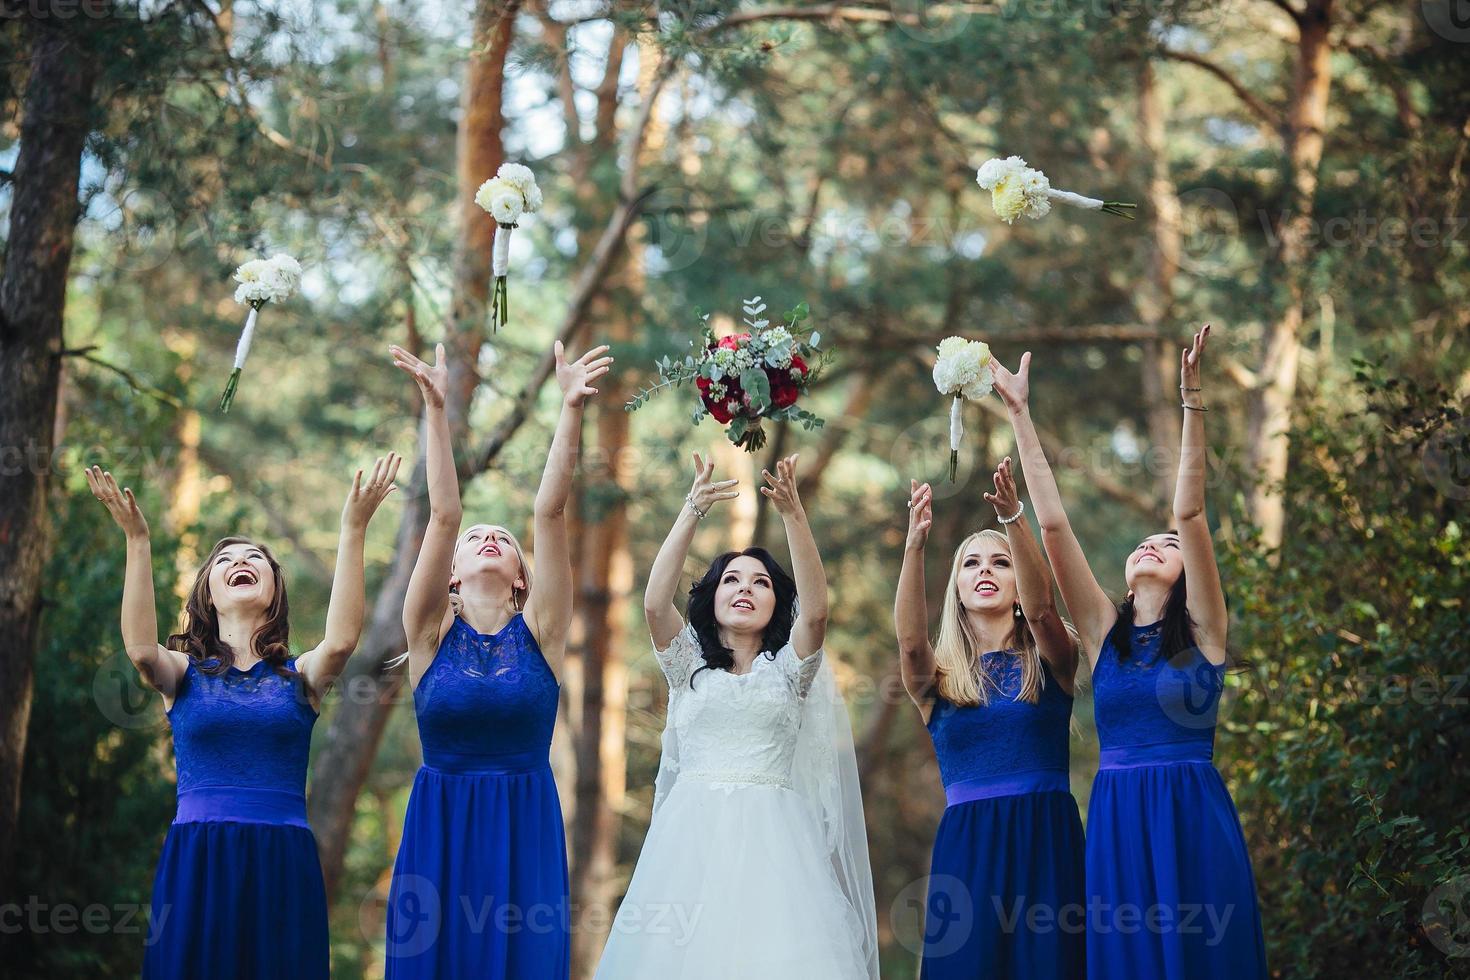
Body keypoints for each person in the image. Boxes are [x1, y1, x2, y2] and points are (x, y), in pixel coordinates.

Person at [994, 324, 1267, 977]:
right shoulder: (1100, 633)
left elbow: (1191, 513)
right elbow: (1054, 525)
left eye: (1166, 546)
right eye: (1145, 540)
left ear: (1186, 572)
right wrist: (1021, 416)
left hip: (1188, 810)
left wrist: (1191, 400)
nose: (1155, 544)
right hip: (1118, 817)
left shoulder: (1204, 630)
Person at [85, 452, 401, 979]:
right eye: (227, 560)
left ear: (274, 590)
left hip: (282, 858)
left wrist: (353, 527)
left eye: (256, 557)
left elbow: (343, 639)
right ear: (208, 591)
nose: (242, 561)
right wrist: (137, 541)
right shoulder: (182, 673)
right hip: (199, 856)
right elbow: (141, 649)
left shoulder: (300, 676)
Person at [594, 452, 879, 979]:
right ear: (712, 597)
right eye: (732, 579)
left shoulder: (791, 671)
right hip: (690, 842)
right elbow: (655, 605)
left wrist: (794, 515)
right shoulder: (687, 666)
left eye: (761, 582)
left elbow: (816, 611)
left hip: (778, 847)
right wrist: (691, 510)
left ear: (776, 604)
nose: (745, 588)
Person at [384, 340, 610, 979]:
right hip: (441, 826)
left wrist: (570, 409)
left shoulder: (543, 632)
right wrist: (435, 409)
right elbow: (445, 511)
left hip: (524, 826)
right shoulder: (426, 634)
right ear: (452, 575)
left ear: (520, 578)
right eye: (476, 540)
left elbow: (550, 509)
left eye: (503, 540)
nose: (488, 537)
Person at [895, 456, 1085, 978]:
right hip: (969, 847)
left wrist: (1013, 520)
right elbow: (911, 642)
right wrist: (914, 546)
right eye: (971, 564)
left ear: (1017, 583)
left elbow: (1044, 610)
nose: (985, 571)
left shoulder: (1054, 659)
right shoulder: (937, 681)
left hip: (1046, 840)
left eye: (999, 563)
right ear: (956, 588)